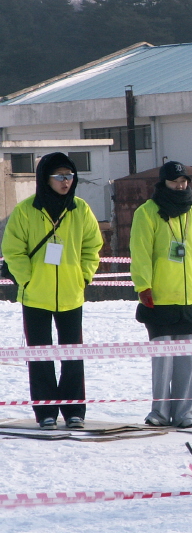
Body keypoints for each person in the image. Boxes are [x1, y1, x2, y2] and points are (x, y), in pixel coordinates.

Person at [1, 152, 103, 430]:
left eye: (69, 176)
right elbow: (13, 250)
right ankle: (45, 411)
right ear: (45, 178)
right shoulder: (25, 210)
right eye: (59, 176)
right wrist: (28, 280)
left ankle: (74, 411)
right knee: (40, 356)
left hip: (71, 294)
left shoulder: (80, 209)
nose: (65, 182)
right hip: (36, 296)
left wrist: (83, 276)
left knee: (72, 354)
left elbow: (92, 246)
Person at [130, 161, 192, 428]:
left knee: (186, 362)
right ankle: (159, 412)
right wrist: (143, 285)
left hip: (190, 300)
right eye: (174, 182)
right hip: (159, 300)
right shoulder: (147, 213)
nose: (180, 186)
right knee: (163, 361)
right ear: (163, 183)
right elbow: (141, 252)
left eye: (183, 182)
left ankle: (183, 413)